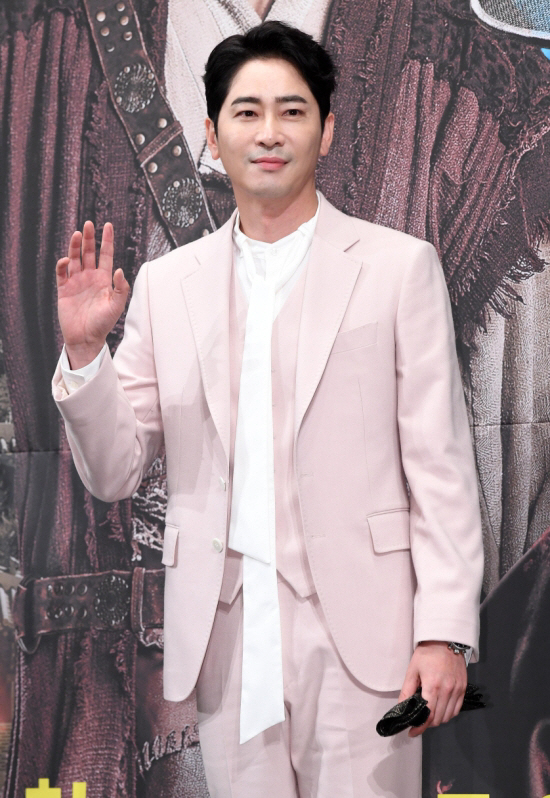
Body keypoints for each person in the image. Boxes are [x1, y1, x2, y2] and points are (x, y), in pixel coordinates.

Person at [52, 21, 484, 798]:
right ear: (212, 136)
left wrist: (445, 633)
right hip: (226, 634)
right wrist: (87, 355)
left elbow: (441, 469)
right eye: (246, 113)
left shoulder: (398, 268)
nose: (270, 132)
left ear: (327, 130)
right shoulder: (168, 286)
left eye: (292, 111)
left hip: (366, 637)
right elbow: (116, 470)